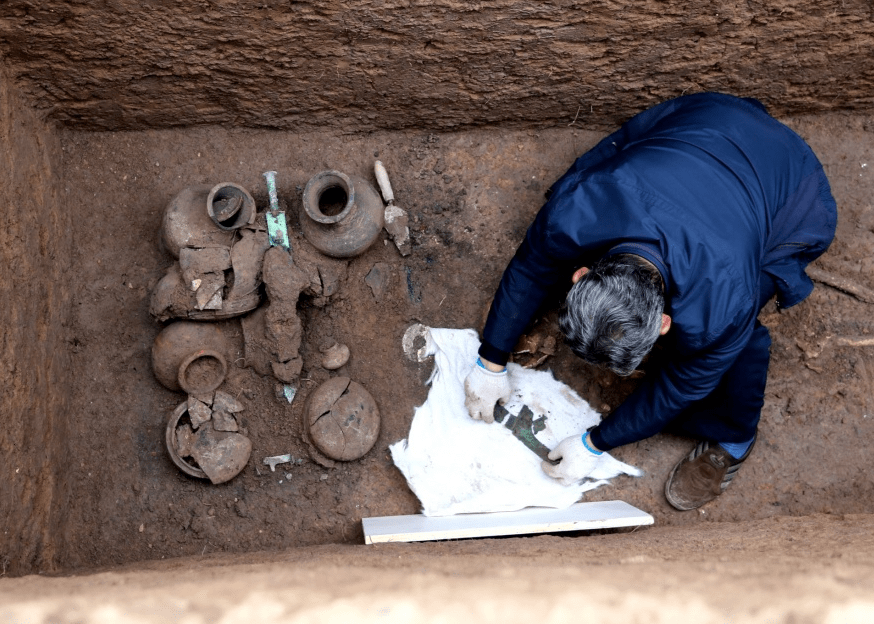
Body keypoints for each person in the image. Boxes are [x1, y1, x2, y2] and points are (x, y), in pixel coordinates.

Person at [463, 92, 837, 510]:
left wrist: (596, 442)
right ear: (582, 275)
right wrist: (490, 359)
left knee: (732, 346)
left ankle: (735, 436)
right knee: (561, 221)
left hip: (795, 192)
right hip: (714, 119)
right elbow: (531, 268)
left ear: (664, 323)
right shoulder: (578, 207)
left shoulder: (725, 298)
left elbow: (680, 386)